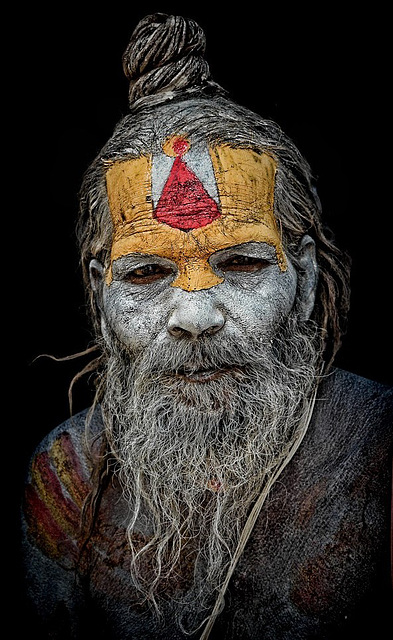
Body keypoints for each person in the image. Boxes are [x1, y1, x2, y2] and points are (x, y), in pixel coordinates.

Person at [21, 13, 392, 640]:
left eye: (244, 263)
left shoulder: (381, 452)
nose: (195, 316)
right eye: (145, 274)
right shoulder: (69, 481)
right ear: (97, 291)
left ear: (302, 280)